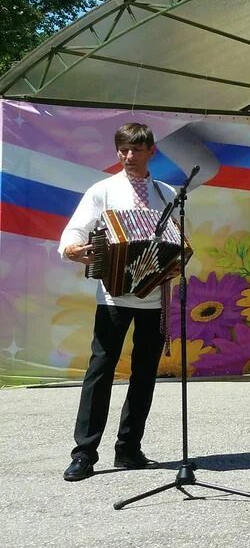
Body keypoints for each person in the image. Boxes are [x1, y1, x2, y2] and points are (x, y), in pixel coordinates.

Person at [58, 122, 177, 481]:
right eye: (123, 150)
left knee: (145, 374)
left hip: (155, 298)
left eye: (136, 150)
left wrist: (174, 264)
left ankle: (128, 448)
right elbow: (71, 238)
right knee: (101, 370)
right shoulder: (103, 191)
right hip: (113, 295)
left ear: (151, 151)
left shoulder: (167, 193)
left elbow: (178, 242)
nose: (128, 156)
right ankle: (84, 453)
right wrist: (80, 251)